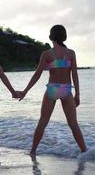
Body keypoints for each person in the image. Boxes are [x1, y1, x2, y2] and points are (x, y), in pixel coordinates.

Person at [19, 24, 87, 156]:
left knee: (43, 122)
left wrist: (25, 90)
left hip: (52, 89)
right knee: (73, 124)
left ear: (51, 37)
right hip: (66, 90)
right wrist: (77, 94)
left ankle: (33, 151)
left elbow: (37, 74)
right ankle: (84, 151)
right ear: (64, 37)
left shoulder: (47, 54)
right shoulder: (71, 53)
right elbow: (74, 75)